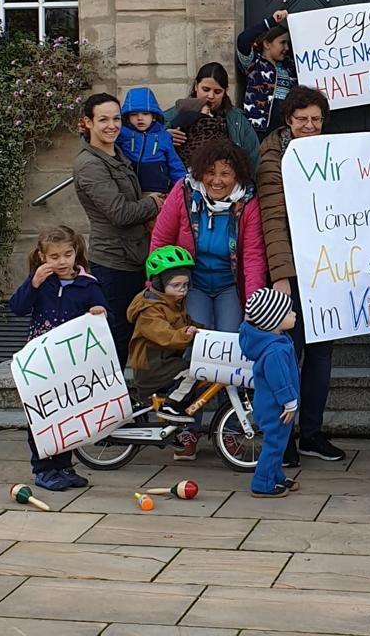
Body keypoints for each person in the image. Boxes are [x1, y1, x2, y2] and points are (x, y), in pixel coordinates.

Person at [257, 85, 345, 464]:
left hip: (329, 268)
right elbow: (273, 219)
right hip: (292, 270)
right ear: (288, 121)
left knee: (322, 353)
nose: (310, 126)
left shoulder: (332, 152)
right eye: (302, 120)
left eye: (316, 120)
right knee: (286, 356)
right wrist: (281, 275)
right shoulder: (272, 156)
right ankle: (283, 436)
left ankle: (311, 432)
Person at [9, 225, 108, 491]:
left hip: (72, 362)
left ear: (76, 252)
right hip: (42, 363)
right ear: (43, 257)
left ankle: (64, 465)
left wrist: (99, 311)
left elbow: (100, 309)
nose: (62, 261)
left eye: (67, 254)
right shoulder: (40, 283)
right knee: (42, 416)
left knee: (70, 413)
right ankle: (43, 468)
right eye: (54, 257)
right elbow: (17, 308)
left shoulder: (87, 284)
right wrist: (34, 283)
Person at [74, 93, 162, 366]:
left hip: (134, 257)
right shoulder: (89, 164)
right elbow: (120, 213)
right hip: (113, 263)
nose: (112, 125)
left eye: (115, 119)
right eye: (103, 120)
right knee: (118, 340)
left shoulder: (116, 152)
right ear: (87, 123)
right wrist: (154, 203)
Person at [150, 137, 268, 331]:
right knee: (195, 335)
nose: (216, 181)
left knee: (230, 337)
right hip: (193, 283)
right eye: (210, 172)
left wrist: (254, 304)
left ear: (237, 176)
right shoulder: (183, 191)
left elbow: (253, 256)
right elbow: (161, 239)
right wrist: (154, 285)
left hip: (230, 285)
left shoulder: (248, 202)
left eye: (225, 174)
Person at [126, 245, 204, 462]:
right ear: (160, 284)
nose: (182, 290)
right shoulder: (150, 309)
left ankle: (174, 422)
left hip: (164, 362)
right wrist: (185, 334)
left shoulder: (174, 303)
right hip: (151, 367)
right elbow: (164, 335)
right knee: (193, 371)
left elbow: (188, 324)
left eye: (186, 285)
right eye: (176, 285)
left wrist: (206, 333)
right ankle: (170, 406)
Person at [239, 287, 301, 498]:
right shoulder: (275, 350)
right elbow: (280, 381)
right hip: (277, 407)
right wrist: (289, 402)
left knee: (278, 444)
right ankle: (262, 483)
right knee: (274, 444)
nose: (294, 315)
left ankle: (275, 476)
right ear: (273, 321)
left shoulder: (276, 342)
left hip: (272, 406)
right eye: (289, 312)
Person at [165, 63, 261, 173]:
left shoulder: (237, 120)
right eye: (205, 89)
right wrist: (165, 136)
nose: (210, 96)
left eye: (217, 92)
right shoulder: (176, 113)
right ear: (196, 86)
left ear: (225, 92)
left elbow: (253, 157)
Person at [116, 86, 186, 200]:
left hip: (158, 192)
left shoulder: (164, 136)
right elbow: (100, 140)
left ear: (153, 116)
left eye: (145, 113)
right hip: (130, 192)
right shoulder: (122, 133)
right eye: (134, 114)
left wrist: (183, 188)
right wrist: (86, 133)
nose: (140, 118)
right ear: (127, 117)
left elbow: (175, 164)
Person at [237, 10, 296, 139]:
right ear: (267, 44)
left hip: (284, 132)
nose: (286, 48)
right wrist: (270, 22)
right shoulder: (254, 64)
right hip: (257, 132)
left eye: (287, 43)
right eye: (282, 43)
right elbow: (243, 40)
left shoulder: (290, 68)